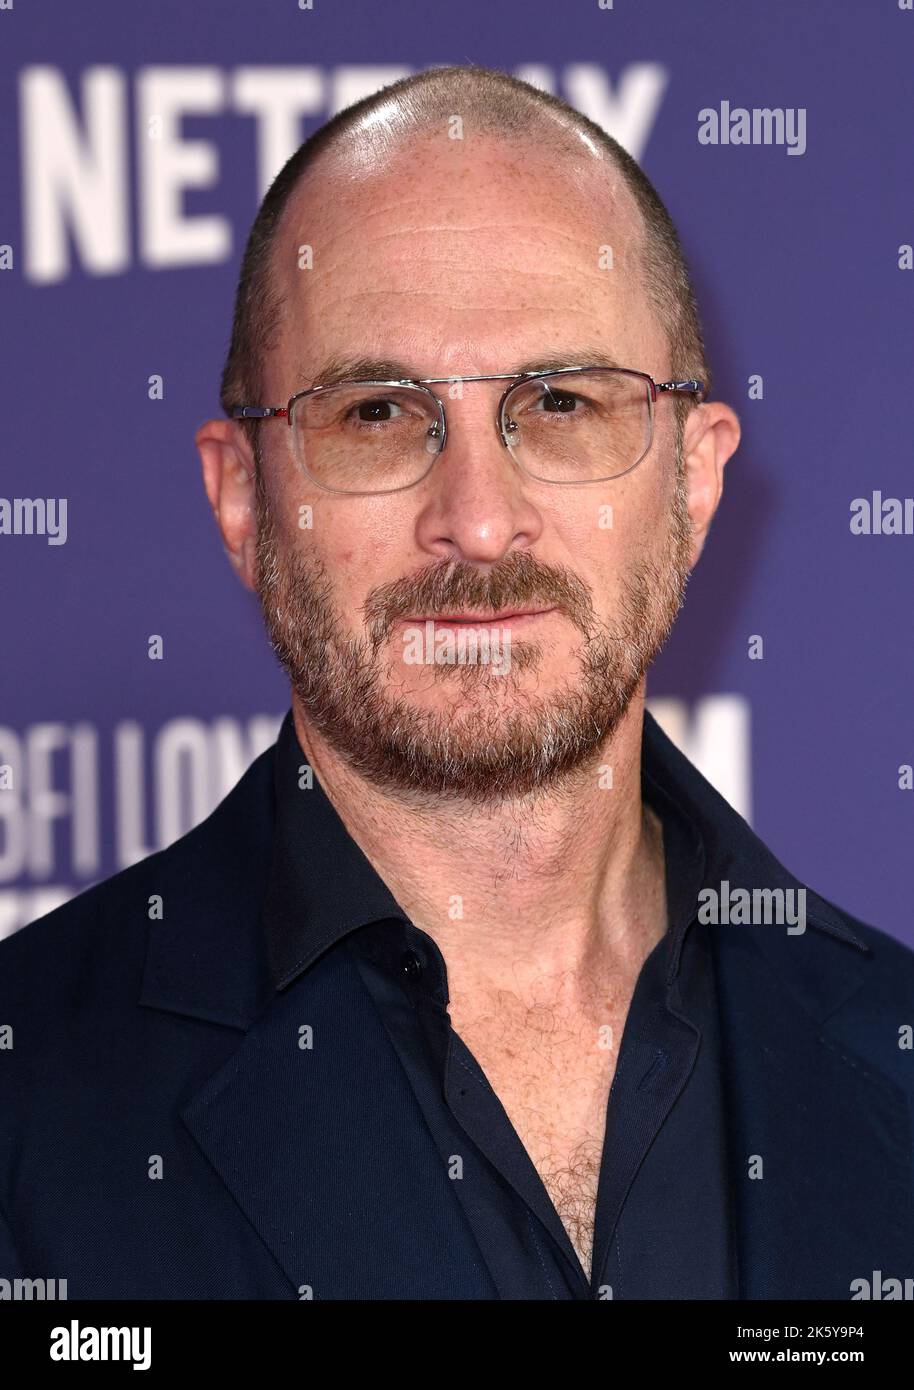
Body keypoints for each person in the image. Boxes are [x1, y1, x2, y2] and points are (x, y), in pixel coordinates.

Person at [2, 64, 912, 1301]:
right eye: (376, 413)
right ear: (240, 498)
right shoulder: (28, 1101)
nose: (478, 524)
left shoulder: (889, 1054)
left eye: (559, 402)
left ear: (693, 487)